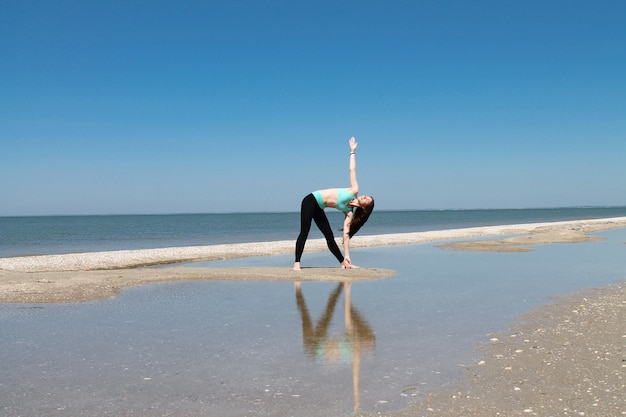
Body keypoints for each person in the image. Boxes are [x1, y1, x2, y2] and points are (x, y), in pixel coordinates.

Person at [293, 137, 375, 271]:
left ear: (365, 207)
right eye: (366, 195)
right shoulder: (353, 190)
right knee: (304, 232)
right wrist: (352, 152)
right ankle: (297, 262)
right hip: (310, 200)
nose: (364, 196)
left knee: (330, 237)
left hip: (319, 207)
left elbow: (346, 235)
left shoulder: (349, 213)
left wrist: (347, 255)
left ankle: (344, 262)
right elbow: (352, 170)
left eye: (367, 199)